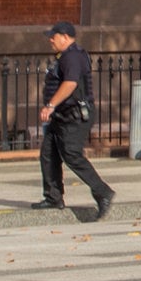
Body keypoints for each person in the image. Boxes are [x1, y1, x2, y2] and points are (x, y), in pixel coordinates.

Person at [35, 21, 115, 222]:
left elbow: (70, 84)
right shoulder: (66, 56)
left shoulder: (73, 56)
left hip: (75, 115)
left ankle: (102, 191)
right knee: (49, 153)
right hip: (62, 115)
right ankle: (53, 197)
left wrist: (50, 105)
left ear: (65, 36)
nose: (51, 40)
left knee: (71, 153)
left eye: (53, 36)